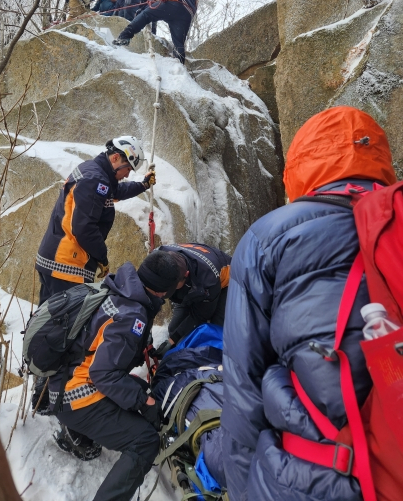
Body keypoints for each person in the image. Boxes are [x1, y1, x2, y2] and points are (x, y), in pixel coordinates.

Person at [221, 106, 397, 501]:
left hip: (313, 476)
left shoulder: (268, 237)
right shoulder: (395, 224)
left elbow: (243, 384)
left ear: (299, 166)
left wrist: (241, 487)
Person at [49, 251, 187, 501]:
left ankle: (77, 435)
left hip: (63, 381)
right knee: (145, 441)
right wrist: (145, 403)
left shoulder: (120, 288)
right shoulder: (131, 315)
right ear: (162, 291)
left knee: (137, 389)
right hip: (76, 397)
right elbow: (103, 374)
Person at [35, 136, 155, 305]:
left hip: (55, 259)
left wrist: (143, 185)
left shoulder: (93, 171)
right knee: (62, 327)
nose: (128, 174)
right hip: (67, 264)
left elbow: (115, 191)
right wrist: (102, 258)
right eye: (127, 168)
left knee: (44, 323)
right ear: (115, 158)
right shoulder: (96, 179)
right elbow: (84, 228)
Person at [149, 243, 232, 359]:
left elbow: (200, 315)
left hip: (226, 282)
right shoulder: (159, 257)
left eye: (171, 286)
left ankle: (212, 362)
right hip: (195, 281)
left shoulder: (209, 279)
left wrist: (172, 341)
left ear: (186, 275)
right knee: (174, 328)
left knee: (214, 330)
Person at [113, 0, 198, 64]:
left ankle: (124, 36)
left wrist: (146, 7)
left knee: (146, 15)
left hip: (173, 3)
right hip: (187, 13)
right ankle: (179, 66)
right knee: (179, 44)